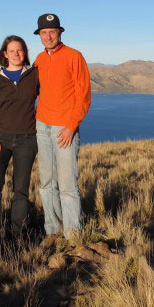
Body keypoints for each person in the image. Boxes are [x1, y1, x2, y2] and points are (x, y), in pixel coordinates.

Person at [33, 13, 91, 246]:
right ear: (39, 35)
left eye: (52, 32)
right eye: (44, 33)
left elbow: (84, 96)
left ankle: (73, 234)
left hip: (64, 128)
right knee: (47, 182)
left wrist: (70, 126)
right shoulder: (39, 58)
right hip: (41, 126)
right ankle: (52, 230)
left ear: (60, 33)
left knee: (67, 184)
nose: (48, 36)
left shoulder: (74, 57)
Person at [0, 35, 39, 247]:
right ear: (4, 54)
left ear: (25, 52)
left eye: (20, 50)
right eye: (12, 50)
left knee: (21, 189)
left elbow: (49, 97)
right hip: (1, 141)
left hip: (28, 140)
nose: (16, 54)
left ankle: (18, 234)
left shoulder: (34, 75)